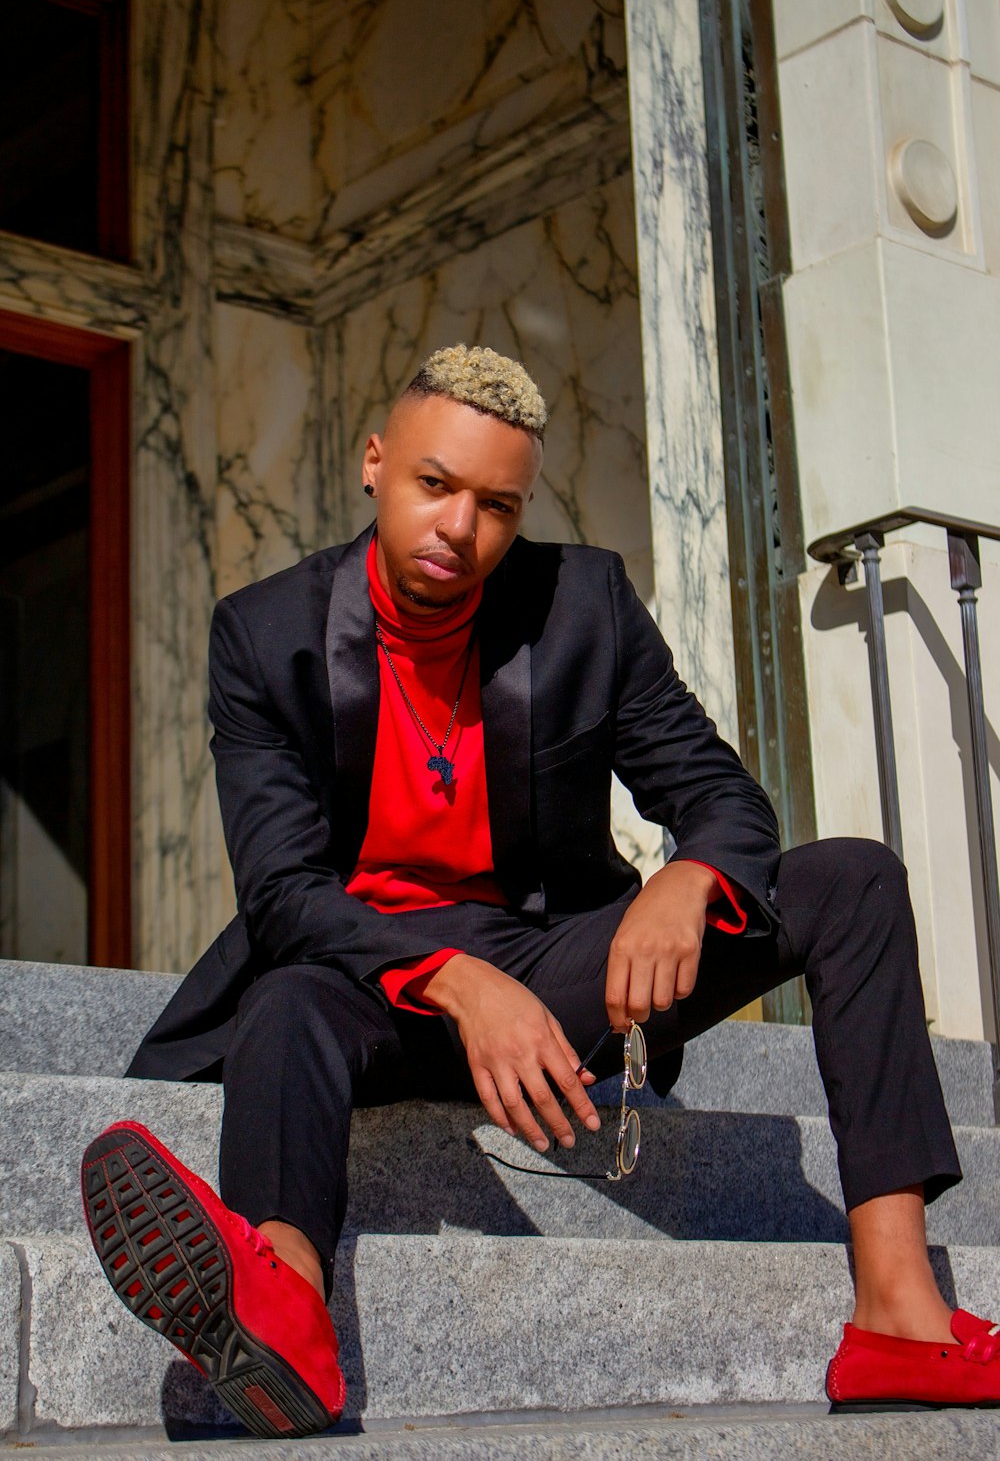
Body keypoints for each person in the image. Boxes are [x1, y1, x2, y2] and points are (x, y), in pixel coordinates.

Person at [82, 345, 1000, 1438]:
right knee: (283, 1004)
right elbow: (283, 893)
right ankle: (281, 1308)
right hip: (365, 976)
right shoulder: (265, 635)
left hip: (557, 963)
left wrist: (690, 881)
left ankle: (897, 1311)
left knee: (851, 878)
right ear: (376, 463)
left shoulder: (583, 605)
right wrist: (461, 985)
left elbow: (720, 797)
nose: (459, 529)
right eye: (434, 485)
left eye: (495, 505)